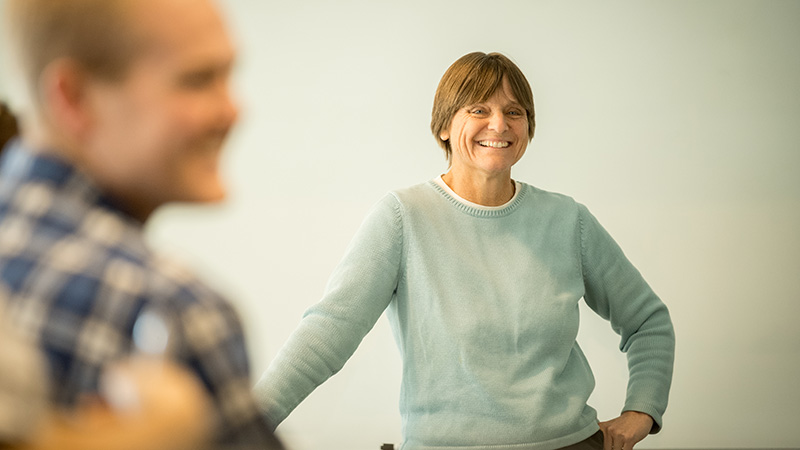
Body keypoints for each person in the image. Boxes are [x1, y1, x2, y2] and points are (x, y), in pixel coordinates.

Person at [254, 52, 675, 450]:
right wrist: (239, 427)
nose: (500, 124)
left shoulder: (568, 220)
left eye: (515, 112)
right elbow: (328, 332)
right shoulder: (403, 216)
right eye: (478, 109)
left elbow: (647, 321)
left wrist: (642, 410)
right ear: (443, 125)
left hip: (571, 444)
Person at [0, 0, 281, 448]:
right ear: (74, 98)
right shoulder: (172, 311)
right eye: (198, 80)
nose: (233, 111)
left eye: (229, 75)